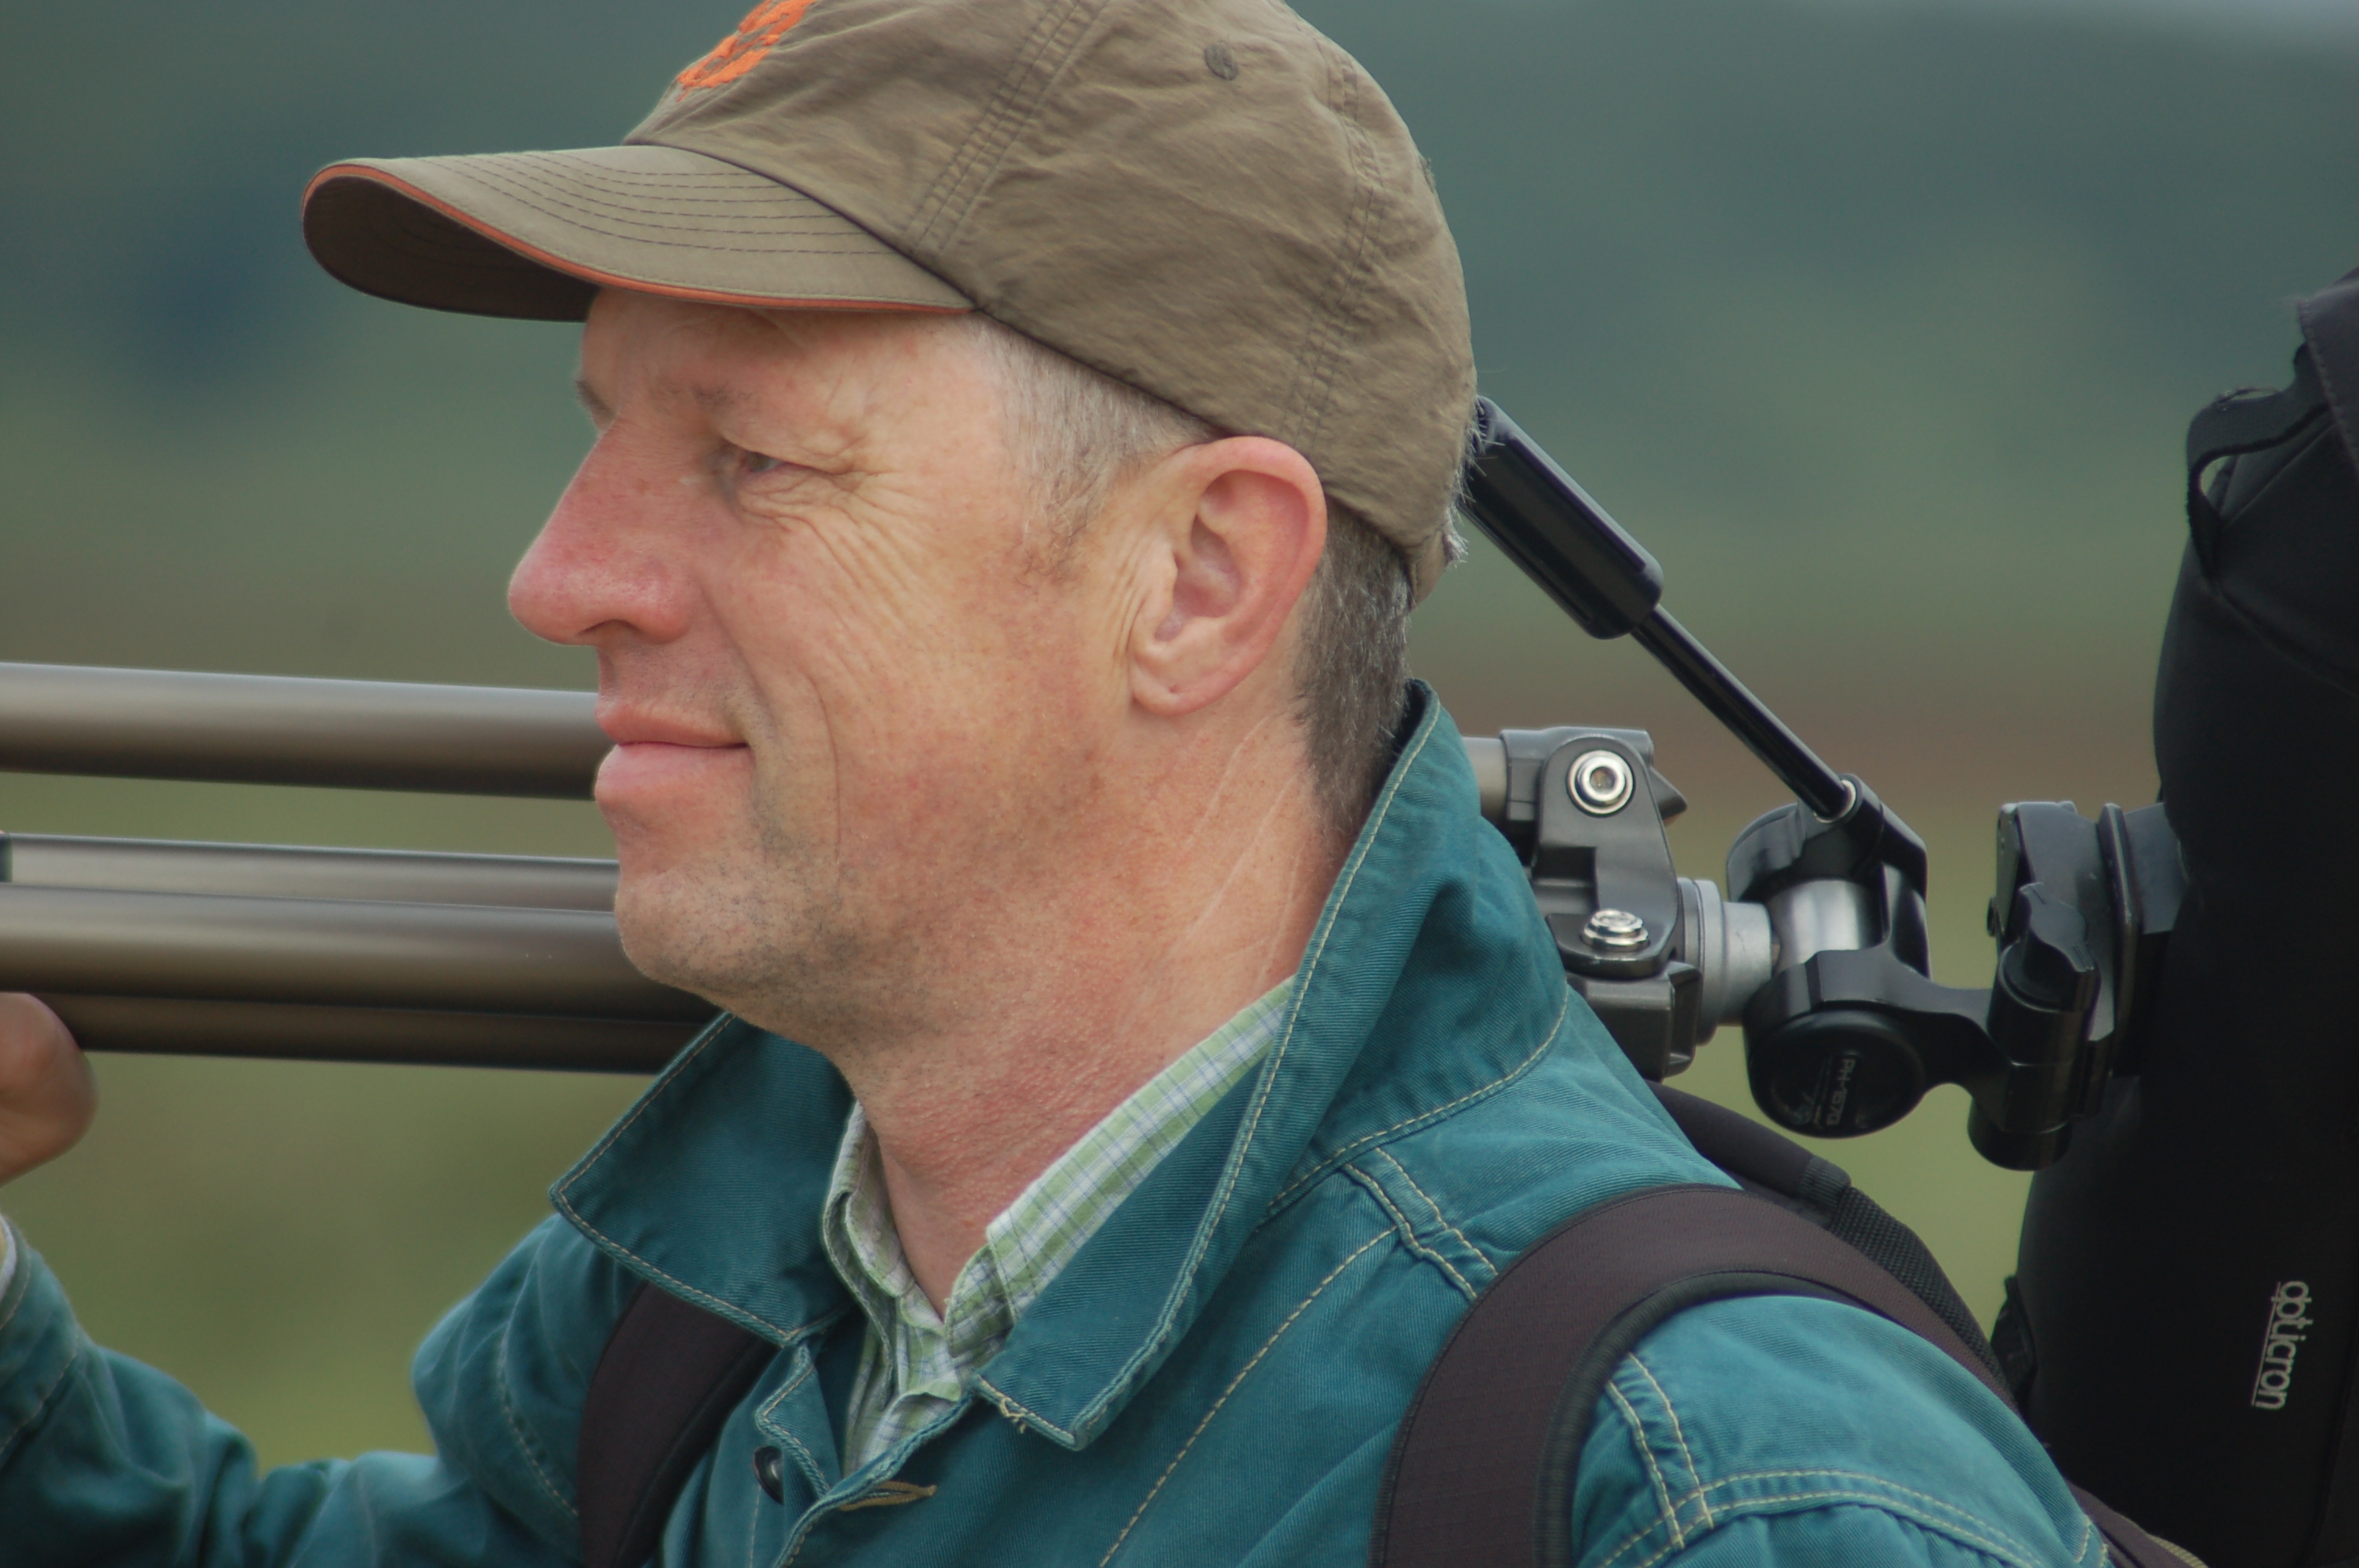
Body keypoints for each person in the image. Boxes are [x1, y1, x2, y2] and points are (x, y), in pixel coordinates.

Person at [0, 1, 2104, 1562]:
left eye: (750, 463)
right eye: (602, 435)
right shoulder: (741, 1282)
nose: (559, 579)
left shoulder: (1708, 1500)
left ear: (1197, 581)